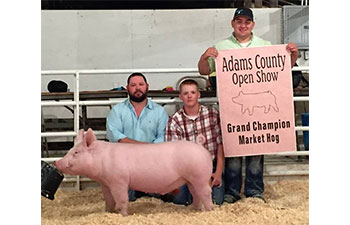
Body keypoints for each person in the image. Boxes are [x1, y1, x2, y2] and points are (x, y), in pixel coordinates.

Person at [197, 7, 299, 203]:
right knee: (234, 152)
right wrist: (204, 57)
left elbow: (284, 69)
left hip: (258, 109)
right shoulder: (221, 46)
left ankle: (254, 191)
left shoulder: (265, 45)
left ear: (252, 24)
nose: (242, 25)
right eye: (239, 21)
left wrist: (292, 55)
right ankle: (232, 192)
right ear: (232, 23)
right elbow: (203, 70)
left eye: (247, 22)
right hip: (233, 111)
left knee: (256, 151)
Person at [106, 72, 169, 201]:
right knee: (122, 199)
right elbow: (117, 138)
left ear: (147, 86)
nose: (137, 88)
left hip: (152, 162)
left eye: (141, 84)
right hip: (125, 164)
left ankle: (147, 190)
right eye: (133, 85)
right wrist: (145, 148)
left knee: (163, 196)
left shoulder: (159, 111)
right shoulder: (117, 111)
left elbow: (163, 137)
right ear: (127, 88)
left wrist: (144, 151)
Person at [166, 79, 225, 205]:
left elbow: (221, 145)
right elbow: (174, 155)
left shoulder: (212, 114)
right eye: (186, 93)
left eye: (193, 92)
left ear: (198, 94)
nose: (189, 96)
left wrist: (218, 172)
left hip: (210, 167)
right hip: (185, 171)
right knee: (180, 201)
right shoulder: (175, 121)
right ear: (180, 96)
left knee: (216, 202)